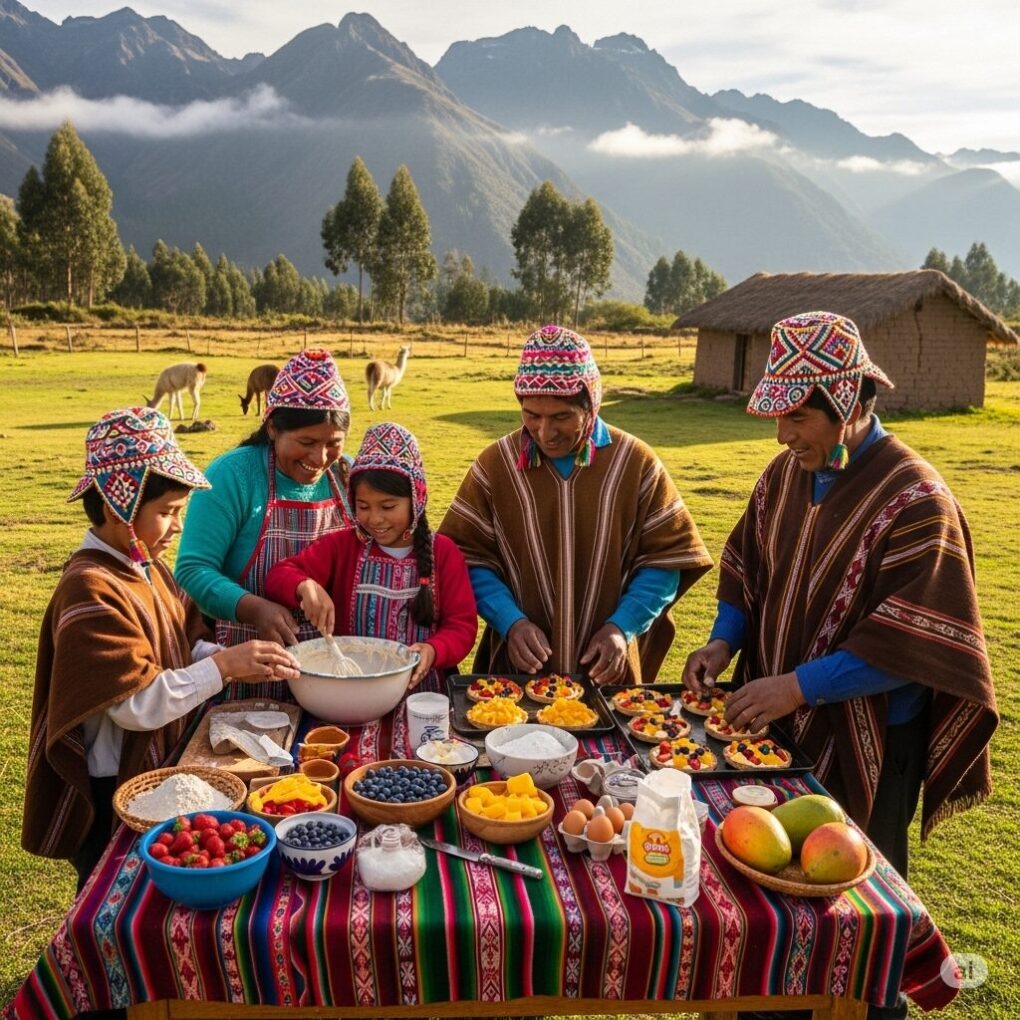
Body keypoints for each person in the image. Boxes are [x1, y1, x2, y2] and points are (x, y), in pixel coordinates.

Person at [683, 310, 998, 879]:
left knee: (852, 884)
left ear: (850, 405)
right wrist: (722, 642)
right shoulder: (784, 475)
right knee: (770, 867)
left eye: (798, 418)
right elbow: (747, 567)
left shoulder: (917, 501)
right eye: (779, 419)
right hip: (774, 719)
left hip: (871, 738)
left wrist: (799, 686)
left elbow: (911, 643)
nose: (783, 436)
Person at [22, 408, 299, 891]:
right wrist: (222, 666)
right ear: (117, 509)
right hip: (114, 788)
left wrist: (230, 659)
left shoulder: (146, 566)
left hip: (156, 769)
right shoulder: (90, 588)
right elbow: (137, 705)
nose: (175, 527)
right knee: (112, 894)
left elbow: (180, 645)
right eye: (166, 512)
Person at [439, 324, 713, 685]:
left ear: (591, 404)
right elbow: (465, 558)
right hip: (515, 675)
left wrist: (621, 627)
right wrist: (510, 621)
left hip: (608, 673)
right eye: (531, 415)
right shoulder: (496, 465)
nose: (545, 432)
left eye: (561, 417)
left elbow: (664, 562)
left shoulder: (636, 463)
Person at [175, 350, 355, 699]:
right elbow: (192, 569)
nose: (319, 458)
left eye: (333, 443)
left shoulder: (349, 475)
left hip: (337, 674)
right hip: (250, 676)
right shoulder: (234, 475)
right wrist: (254, 608)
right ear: (272, 427)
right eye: (306, 442)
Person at [265, 422, 477, 693]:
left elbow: (462, 626)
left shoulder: (443, 553)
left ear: (416, 500)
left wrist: (434, 650)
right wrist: (304, 586)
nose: (374, 519)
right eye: (363, 506)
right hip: (351, 692)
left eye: (388, 506)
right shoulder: (343, 546)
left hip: (422, 694)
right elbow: (279, 575)